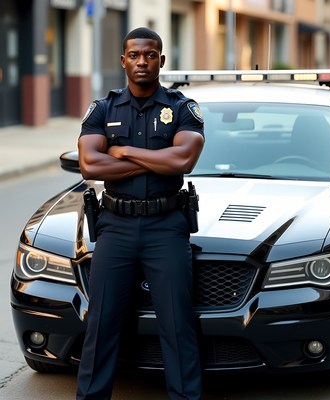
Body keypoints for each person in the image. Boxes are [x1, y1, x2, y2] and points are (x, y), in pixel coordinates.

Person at [76, 27, 205, 400]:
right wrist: (155, 163)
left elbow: (184, 159)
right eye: (134, 55)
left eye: (150, 55)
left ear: (161, 60)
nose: (142, 62)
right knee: (101, 325)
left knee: (178, 325)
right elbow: (90, 165)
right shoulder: (103, 109)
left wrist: (124, 152)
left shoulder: (181, 108)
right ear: (123, 61)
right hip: (115, 226)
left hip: (166, 226)